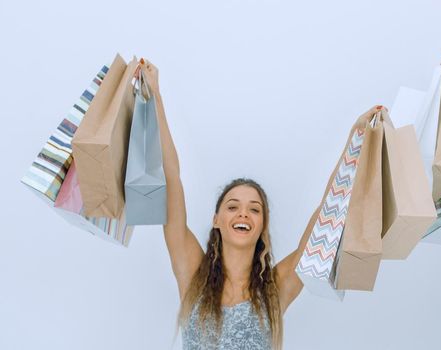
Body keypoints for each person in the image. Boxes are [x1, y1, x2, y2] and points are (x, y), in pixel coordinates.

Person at [143, 58, 387, 349]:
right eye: (232, 206)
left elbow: (326, 216)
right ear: (216, 219)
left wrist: (356, 139)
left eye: (254, 209)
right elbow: (171, 179)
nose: (243, 212)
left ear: (262, 225)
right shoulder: (192, 273)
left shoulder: (275, 288)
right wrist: (155, 96)